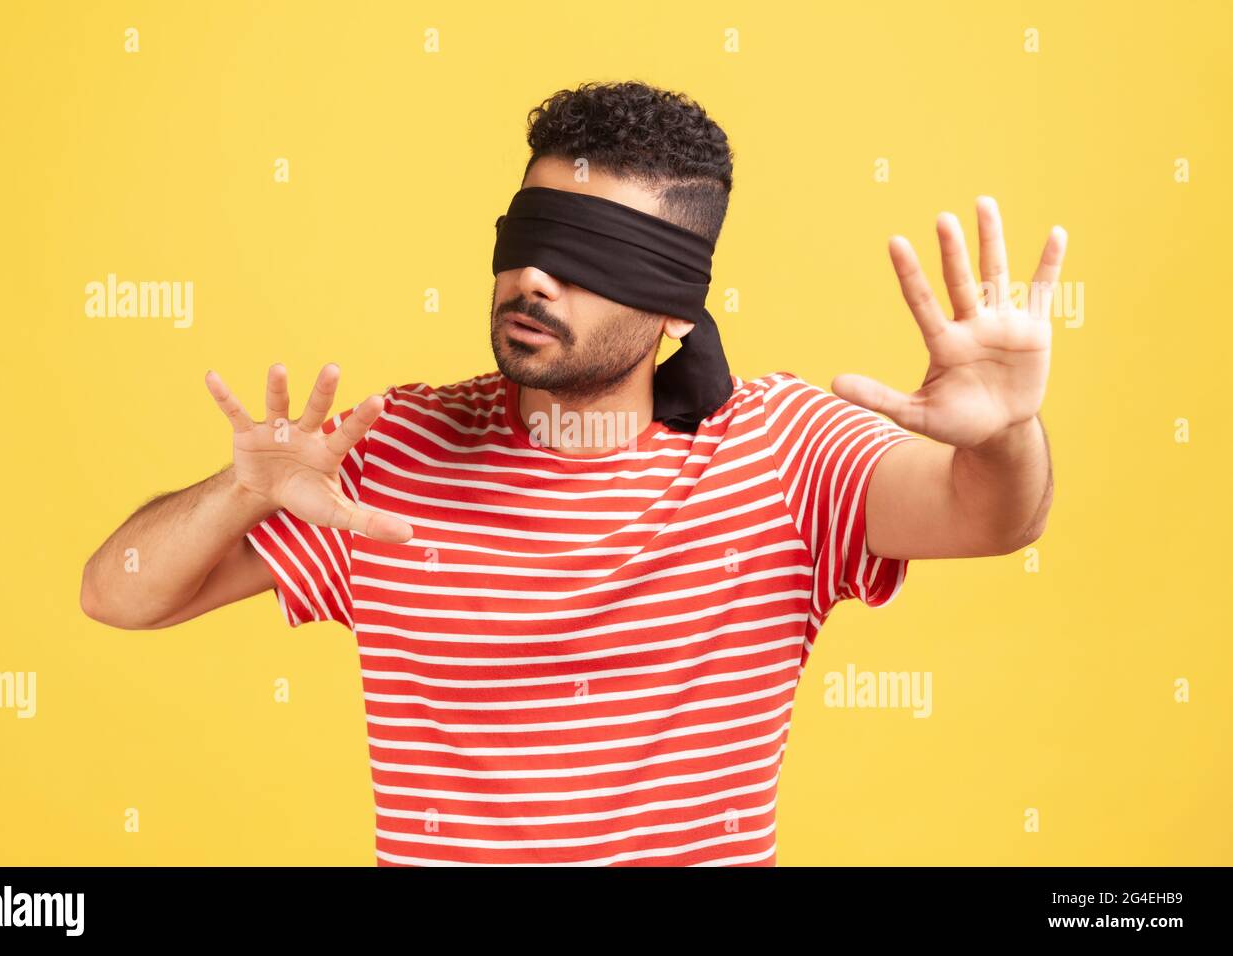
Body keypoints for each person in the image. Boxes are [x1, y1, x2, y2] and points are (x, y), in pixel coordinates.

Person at [80, 80, 1065, 866]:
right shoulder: (385, 449)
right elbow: (118, 595)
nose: (536, 279)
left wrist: (1004, 432)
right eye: (529, 238)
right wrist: (239, 488)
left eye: (594, 257)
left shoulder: (779, 451)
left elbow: (988, 515)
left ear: (677, 308)